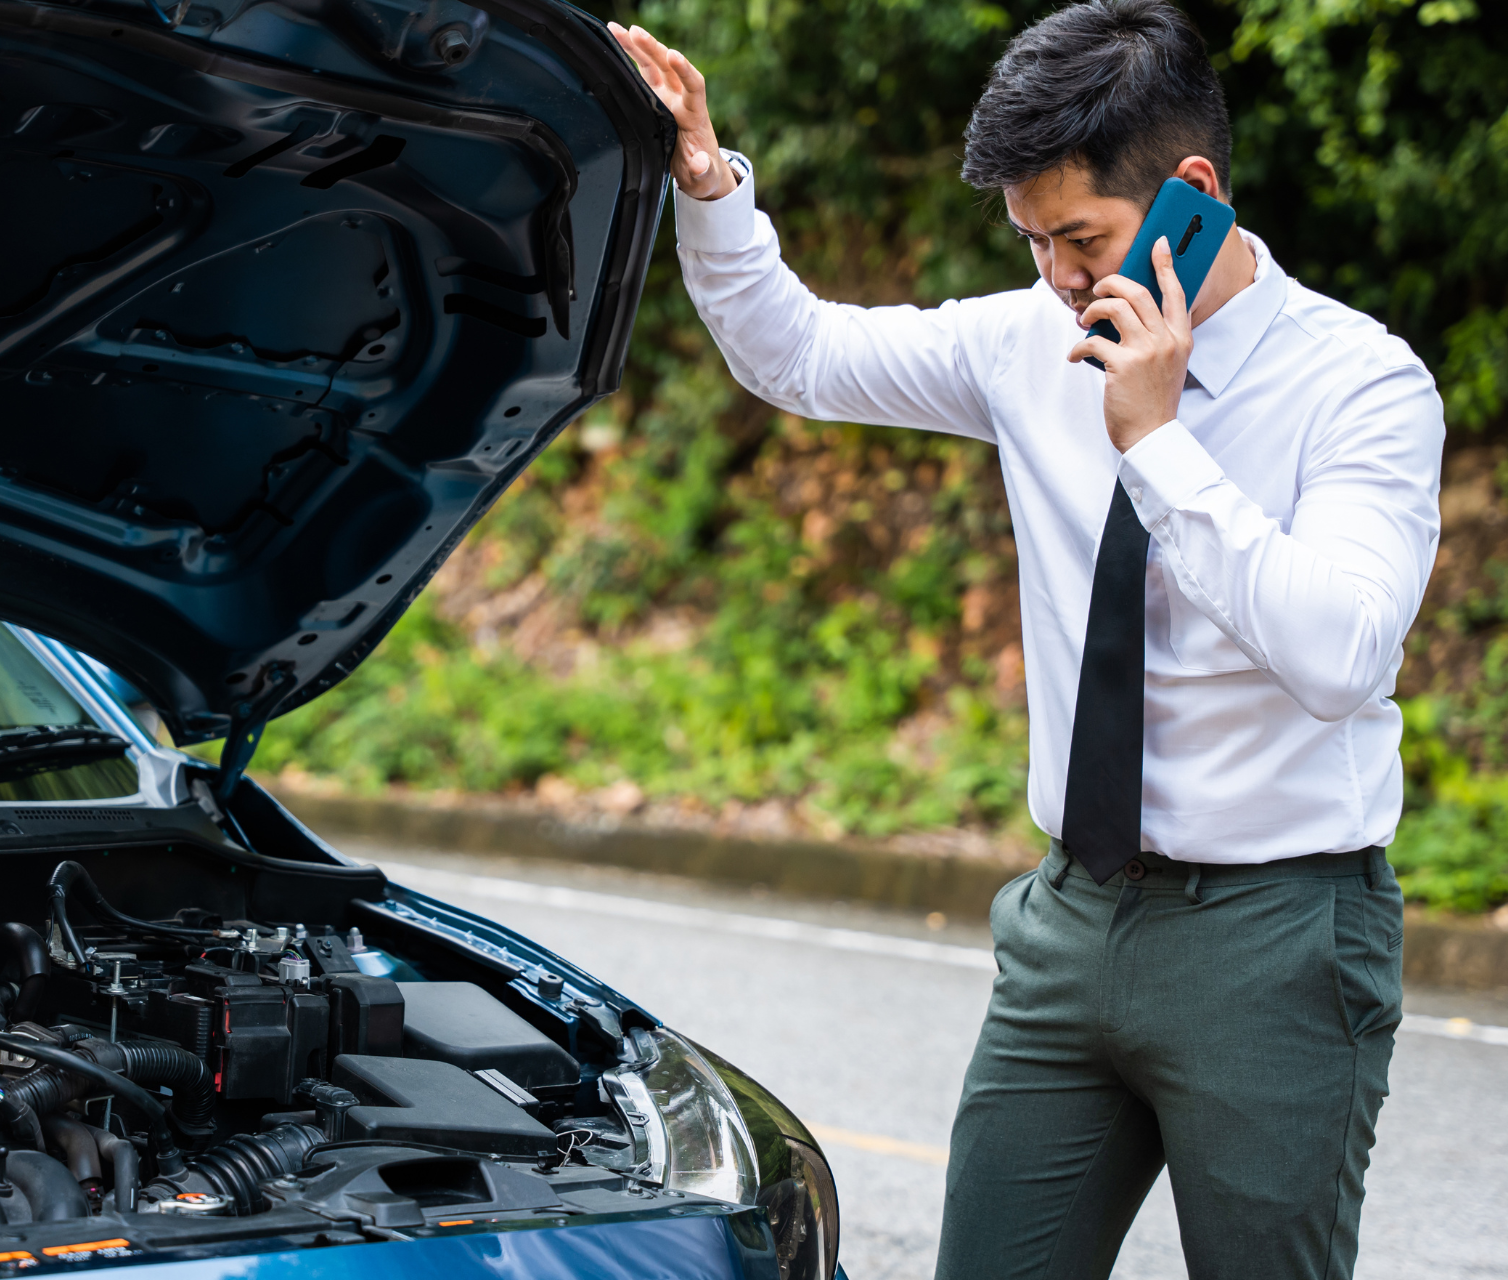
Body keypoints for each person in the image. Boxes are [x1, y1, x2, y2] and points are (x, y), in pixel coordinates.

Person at [610, 1, 1443, 1276]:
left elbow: (1342, 654)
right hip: (1070, 915)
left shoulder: (1363, 384)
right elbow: (803, 354)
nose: (1055, 273)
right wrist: (709, 182)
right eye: (1030, 238)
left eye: (1079, 237)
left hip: (1277, 934)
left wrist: (1157, 439)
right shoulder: (1025, 340)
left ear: (1193, 193)